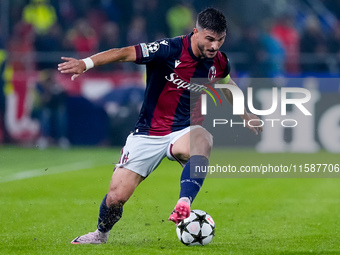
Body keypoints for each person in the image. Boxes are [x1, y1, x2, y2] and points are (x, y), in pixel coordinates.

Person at [58, 8, 262, 245]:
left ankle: (184, 202)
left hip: (183, 130)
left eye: (220, 40)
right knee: (116, 197)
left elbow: (229, 84)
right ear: (195, 32)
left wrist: (245, 113)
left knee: (203, 139)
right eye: (209, 39)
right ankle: (100, 234)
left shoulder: (219, 61)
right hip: (147, 133)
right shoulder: (168, 49)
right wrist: (86, 63)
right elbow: (123, 53)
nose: (215, 46)